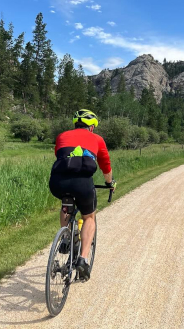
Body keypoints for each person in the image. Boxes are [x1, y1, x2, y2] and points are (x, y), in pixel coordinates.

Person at [49, 109, 116, 281]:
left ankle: (66, 236)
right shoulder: (97, 139)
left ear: (75, 124)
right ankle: (83, 259)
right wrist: (109, 183)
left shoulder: (62, 135)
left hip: (57, 183)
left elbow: (61, 155)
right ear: (92, 127)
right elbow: (105, 165)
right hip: (82, 184)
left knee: (66, 205)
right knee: (89, 218)